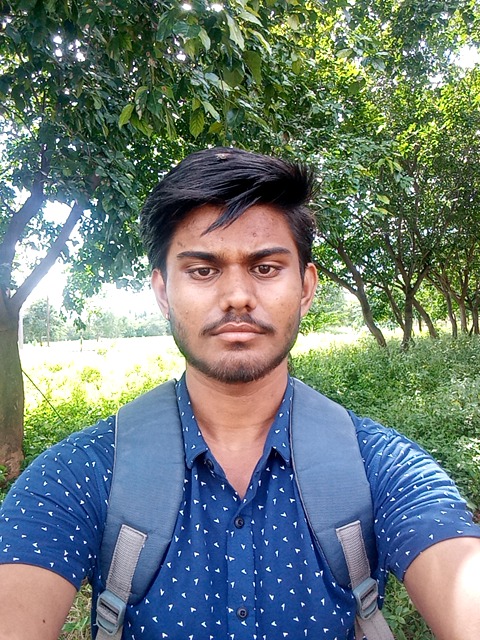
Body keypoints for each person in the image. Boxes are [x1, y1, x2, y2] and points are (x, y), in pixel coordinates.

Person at [1, 147, 479, 640]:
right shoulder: (79, 474)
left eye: (266, 267)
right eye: (202, 270)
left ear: (306, 287)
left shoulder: (380, 467)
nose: (237, 297)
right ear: (163, 293)